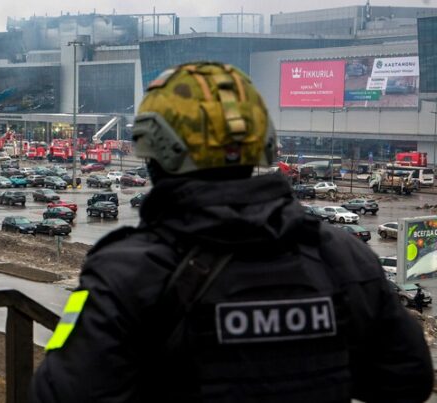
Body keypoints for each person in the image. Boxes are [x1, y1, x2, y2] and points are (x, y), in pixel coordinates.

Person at [32, 62, 433, 402]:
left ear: (159, 151)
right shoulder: (341, 256)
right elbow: (409, 377)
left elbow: (56, 391)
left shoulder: (123, 271)